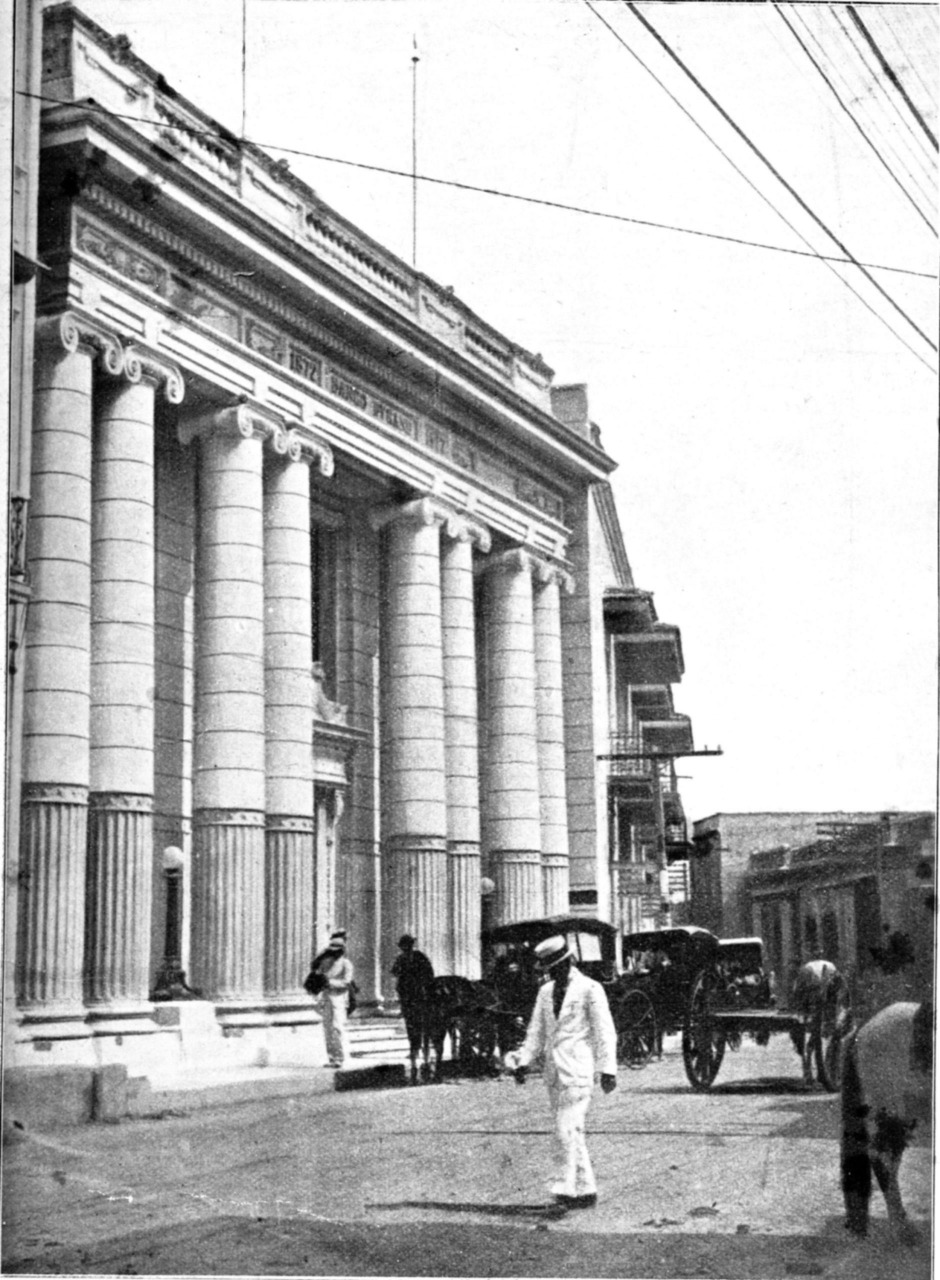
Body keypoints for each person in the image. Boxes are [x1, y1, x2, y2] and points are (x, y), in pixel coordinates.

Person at [505, 935, 617, 1209]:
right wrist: (522, 1062)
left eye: (559, 966)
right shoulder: (545, 993)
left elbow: (604, 1031)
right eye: (550, 969)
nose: (556, 972)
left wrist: (608, 1069)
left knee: (564, 1130)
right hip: (554, 1073)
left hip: (578, 1070)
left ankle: (564, 1192)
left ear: (570, 961)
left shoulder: (591, 989)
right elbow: (536, 1032)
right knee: (572, 1131)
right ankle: (586, 1189)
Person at [313, 931, 354, 1068]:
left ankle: (339, 1057)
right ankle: (331, 1057)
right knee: (327, 1029)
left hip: (339, 998)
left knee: (337, 1027)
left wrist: (329, 982)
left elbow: (347, 982)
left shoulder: (346, 964)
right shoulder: (326, 963)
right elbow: (318, 977)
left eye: (337, 950)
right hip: (326, 997)